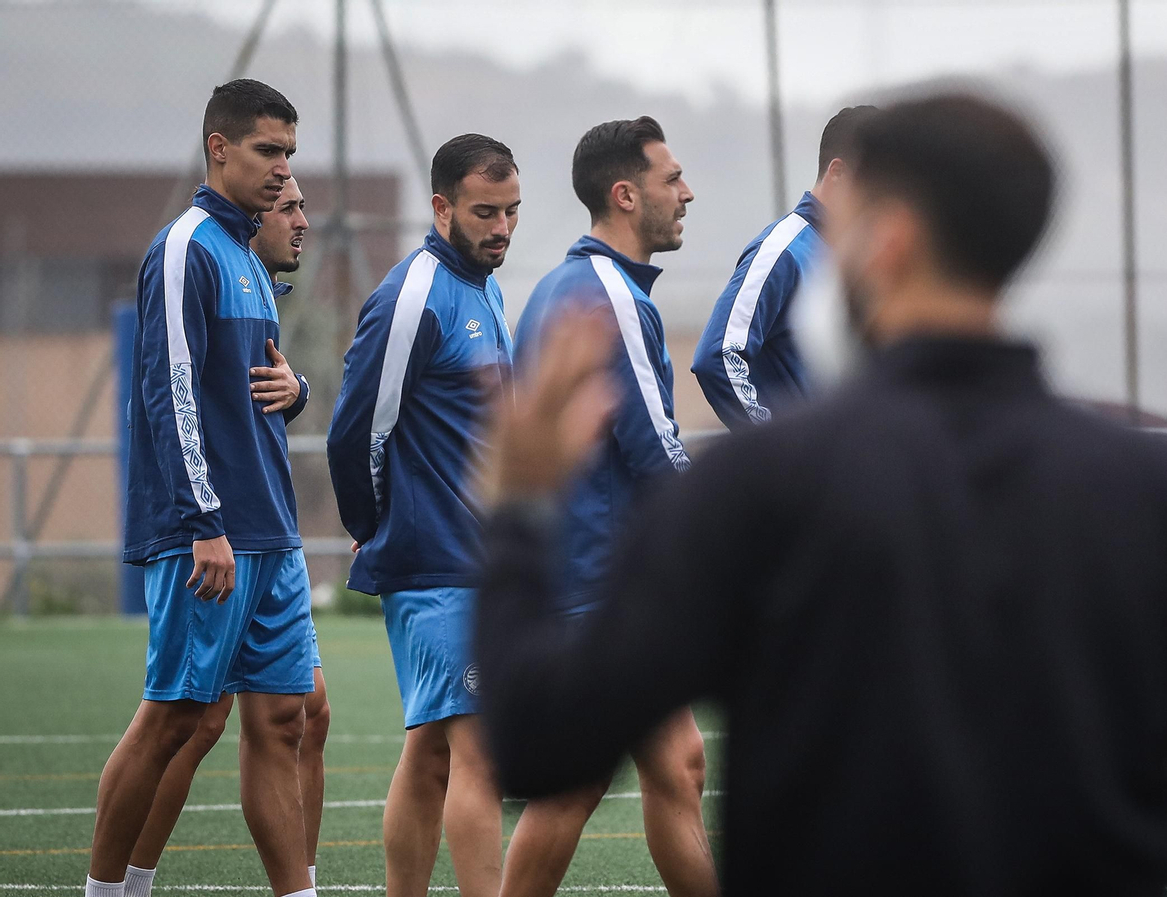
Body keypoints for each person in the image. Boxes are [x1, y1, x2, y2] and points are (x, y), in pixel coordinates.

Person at [478, 90, 1167, 896]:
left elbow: (537, 741)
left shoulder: (759, 491)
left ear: (885, 238)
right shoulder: (1162, 495)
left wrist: (519, 507)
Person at [97, 79, 317, 897]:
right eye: (268, 150)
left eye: (289, 152)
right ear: (219, 149)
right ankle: (109, 892)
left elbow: (252, 391)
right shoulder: (185, 246)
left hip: (272, 532)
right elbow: (171, 390)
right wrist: (203, 522)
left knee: (284, 720)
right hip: (211, 535)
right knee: (174, 718)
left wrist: (298, 393)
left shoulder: (251, 258)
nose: (282, 168)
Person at [504, 116, 716, 897]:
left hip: (589, 575)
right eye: (672, 178)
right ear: (625, 195)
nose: (687, 193)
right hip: (594, 581)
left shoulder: (566, 286)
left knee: (676, 763)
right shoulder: (609, 293)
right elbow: (654, 446)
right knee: (581, 780)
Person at [327, 135, 519, 897]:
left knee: (432, 748)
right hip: (438, 563)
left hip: (480, 560)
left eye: (511, 211)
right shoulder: (413, 296)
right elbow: (355, 431)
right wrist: (372, 524)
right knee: (479, 752)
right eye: (485, 212)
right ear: (441, 208)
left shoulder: (485, 288)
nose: (502, 228)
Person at [690, 105, 878, 425]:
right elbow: (718, 355)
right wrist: (773, 442)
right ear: (837, 174)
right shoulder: (783, 251)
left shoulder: (854, 255)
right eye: (879, 186)